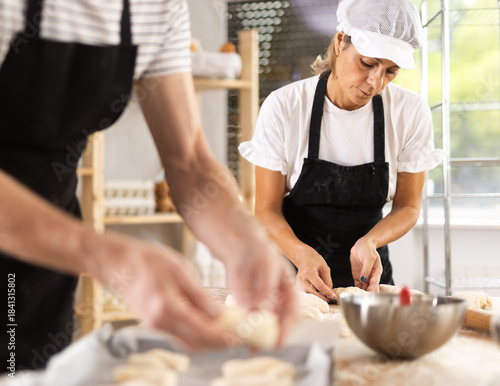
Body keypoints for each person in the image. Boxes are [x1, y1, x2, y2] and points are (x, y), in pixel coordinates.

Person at [0, 0, 298, 372]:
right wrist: (108, 256)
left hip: (46, 263)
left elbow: (189, 160)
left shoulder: (158, 7)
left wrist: (245, 243)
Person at [239, 0, 445, 303]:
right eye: (367, 63)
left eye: (391, 71)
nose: (375, 83)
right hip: (291, 278)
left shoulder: (410, 112)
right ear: (339, 42)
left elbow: (408, 207)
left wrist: (371, 241)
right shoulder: (285, 106)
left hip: (368, 283)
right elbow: (266, 210)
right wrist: (302, 256)